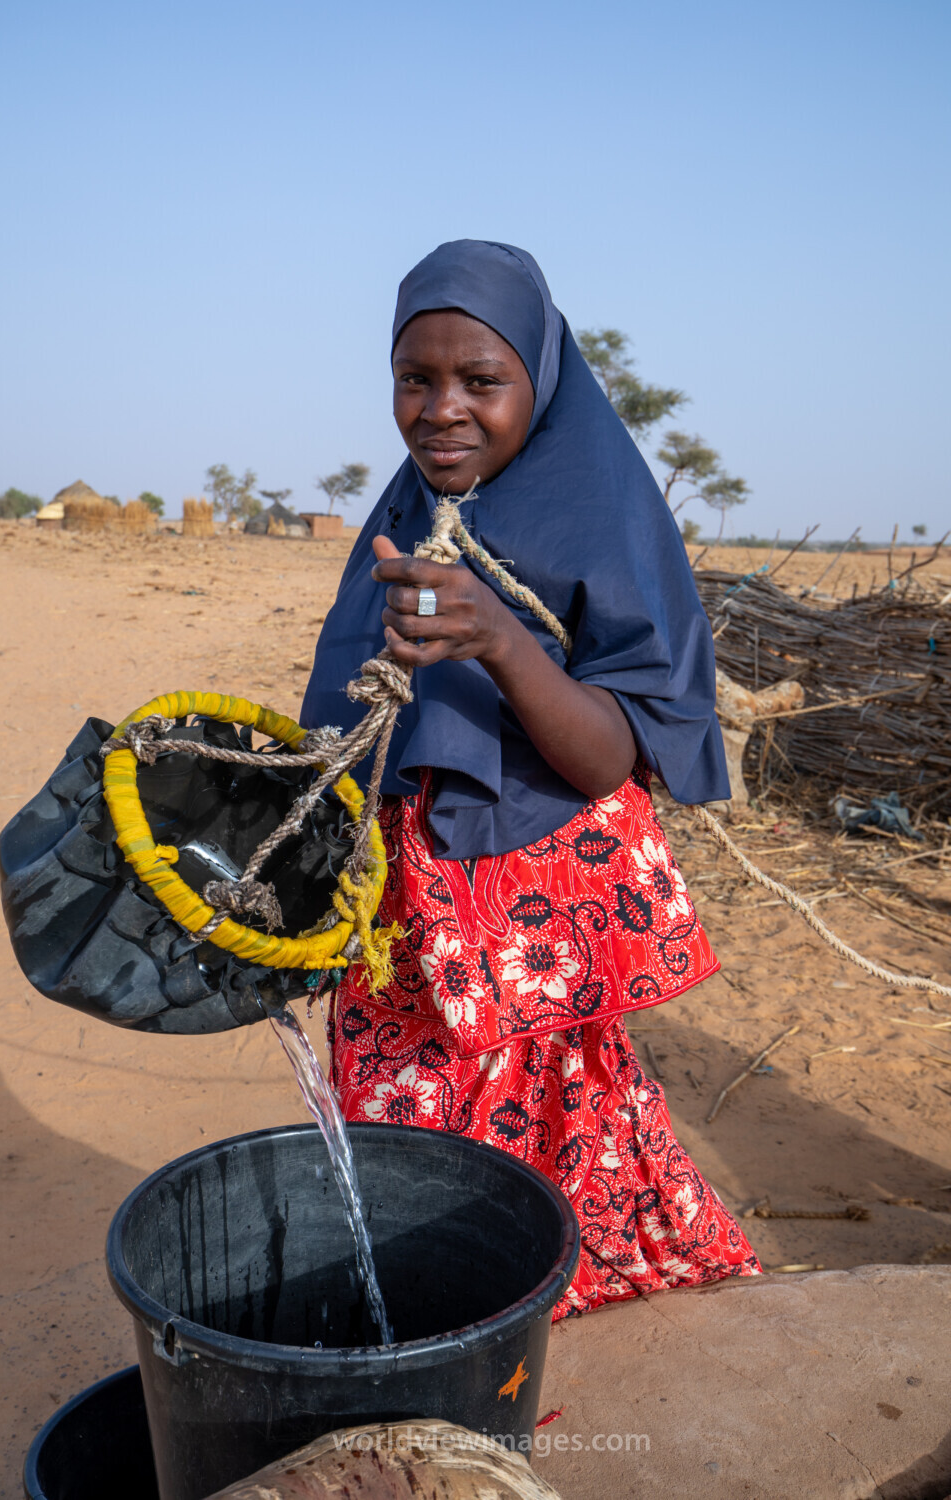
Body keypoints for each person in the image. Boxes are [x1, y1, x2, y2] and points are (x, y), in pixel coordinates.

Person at [302, 239, 759, 1317]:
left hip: (535, 909)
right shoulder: (403, 512)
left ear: (540, 380)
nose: (442, 410)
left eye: (481, 381)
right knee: (395, 1119)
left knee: (546, 1127)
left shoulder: (602, 512)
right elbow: (348, 711)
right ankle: (440, 1318)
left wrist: (500, 639)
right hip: (406, 906)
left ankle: (515, 1325)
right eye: (415, 379)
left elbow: (612, 756)